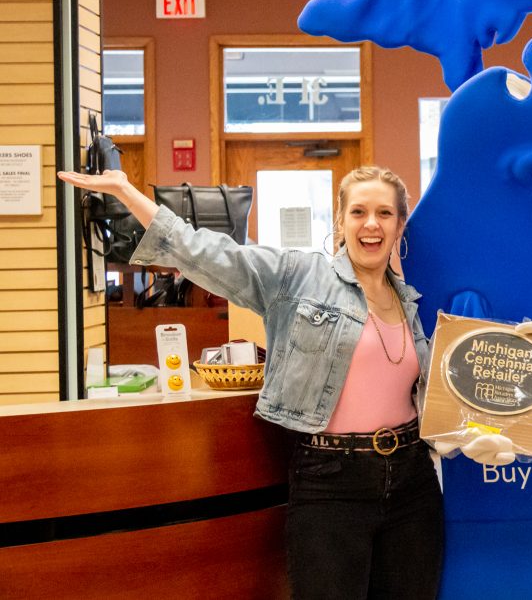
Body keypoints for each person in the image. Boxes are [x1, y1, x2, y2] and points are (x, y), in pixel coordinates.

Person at [58, 165, 443, 600]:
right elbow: (204, 251)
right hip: (332, 483)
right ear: (340, 220)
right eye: (358, 212)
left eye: (384, 213)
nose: (371, 224)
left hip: (413, 481)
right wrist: (127, 192)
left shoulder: (409, 300)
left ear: (400, 224)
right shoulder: (297, 276)